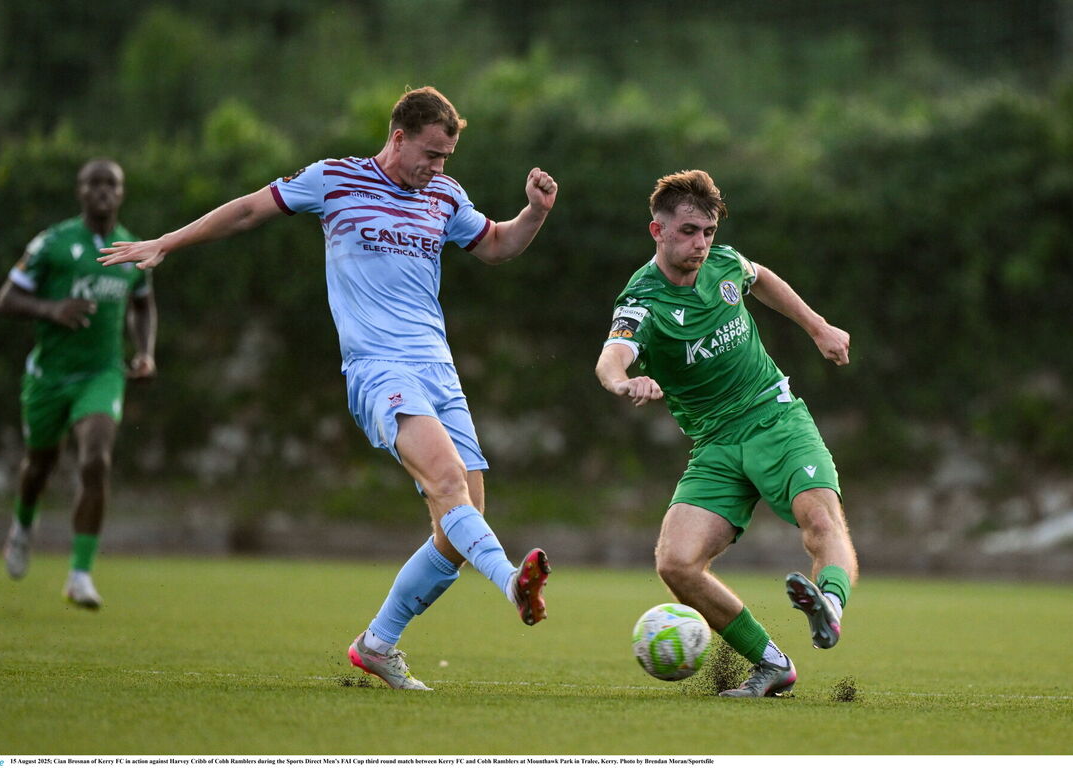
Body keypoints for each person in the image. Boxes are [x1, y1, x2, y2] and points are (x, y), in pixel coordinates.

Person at [99, 86, 556, 690]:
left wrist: (535, 213)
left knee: (455, 531)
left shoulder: (444, 195)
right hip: (378, 369)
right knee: (448, 486)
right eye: (431, 154)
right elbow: (246, 211)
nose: (439, 168)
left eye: (447, 157)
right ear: (398, 137)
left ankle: (377, 645)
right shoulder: (335, 179)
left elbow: (496, 245)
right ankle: (512, 585)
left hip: (438, 371)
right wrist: (166, 242)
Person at [595, 169, 858, 698]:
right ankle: (771, 663)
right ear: (657, 231)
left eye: (708, 231)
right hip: (716, 444)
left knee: (821, 519)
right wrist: (626, 383)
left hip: (775, 417)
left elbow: (760, 277)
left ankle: (828, 604)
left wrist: (818, 327)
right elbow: (610, 359)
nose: (701, 244)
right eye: (689, 231)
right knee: (676, 563)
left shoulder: (723, 262)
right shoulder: (642, 300)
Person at [0, 158, 157, 609]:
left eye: (113, 184)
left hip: (102, 374)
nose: (104, 191)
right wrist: (52, 310)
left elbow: (143, 304)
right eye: (95, 183)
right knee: (39, 466)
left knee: (95, 461)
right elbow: (7, 298)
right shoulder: (52, 243)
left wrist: (144, 351)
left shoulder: (131, 247)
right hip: (49, 377)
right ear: (80, 191)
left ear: (122, 194)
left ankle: (80, 574)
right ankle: (23, 525)